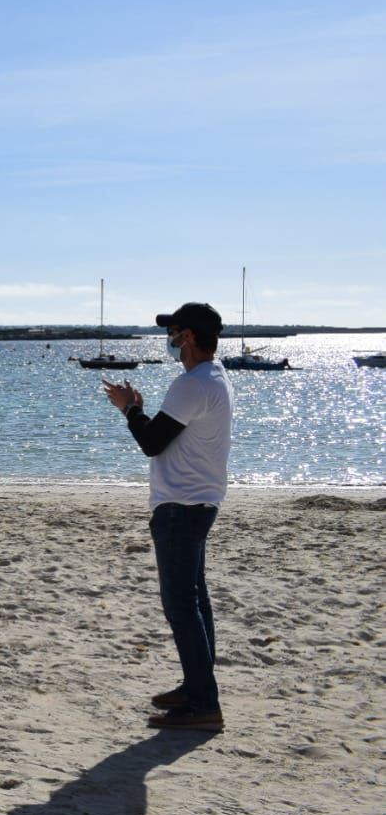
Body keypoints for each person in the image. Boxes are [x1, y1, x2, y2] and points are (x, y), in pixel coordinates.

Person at [102, 302, 233, 732]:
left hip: (181, 504)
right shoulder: (213, 378)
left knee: (181, 605)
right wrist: (140, 410)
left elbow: (152, 442)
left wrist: (129, 409)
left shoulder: (192, 383)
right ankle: (198, 686)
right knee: (194, 599)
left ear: (190, 337)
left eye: (174, 332)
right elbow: (168, 432)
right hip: (199, 500)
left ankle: (203, 701)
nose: (171, 340)